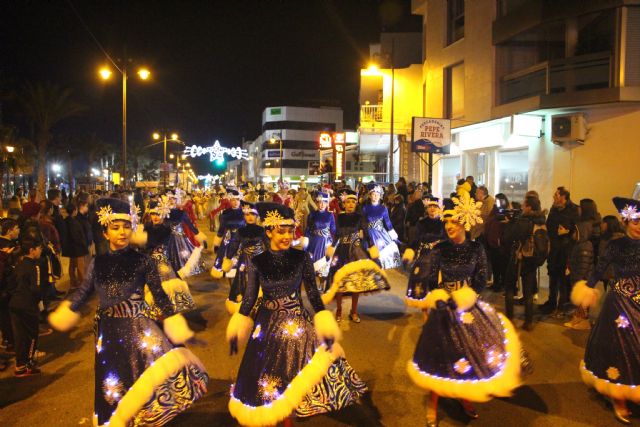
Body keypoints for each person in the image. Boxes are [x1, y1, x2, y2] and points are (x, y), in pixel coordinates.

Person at [48, 197, 208, 426]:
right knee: (114, 385)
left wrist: (174, 321)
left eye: (126, 227)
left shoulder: (143, 260)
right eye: (115, 228)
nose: (122, 233)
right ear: (105, 232)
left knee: (141, 381)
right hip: (108, 335)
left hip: (139, 330)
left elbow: (159, 294)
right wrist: (67, 311)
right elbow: (83, 292)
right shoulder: (97, 262)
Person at [226, 202, 366, 427]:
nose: (287, 236)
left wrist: (324, 323)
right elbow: (250, 299)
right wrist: (237, 330)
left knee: (295, 378)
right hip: (267, 328)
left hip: (297, 326)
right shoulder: (257, 262)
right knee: (268, 382)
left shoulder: (302, 258)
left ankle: (288, 419)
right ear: (269, 231)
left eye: (290, 231)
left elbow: (313, 294)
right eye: (281, 231)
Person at [406, 193, 521, 426]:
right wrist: (439, 297)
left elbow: (481, 278)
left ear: (464, 224)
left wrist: (468, 296)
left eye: (454, 222)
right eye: (447, 222)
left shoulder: (476, 249)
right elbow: (430, 279)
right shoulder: (440, 249)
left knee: (468, 352)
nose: (449, 226)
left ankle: (464, 396)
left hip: (468, 306)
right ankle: (433, 401)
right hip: (444, 306)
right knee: (440, 355)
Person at [570, 196, 640, 425]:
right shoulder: (616, 245)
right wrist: (586, 290)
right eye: (635, 221)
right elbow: (598, 269)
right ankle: (618, 394)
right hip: (620, 304)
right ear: (626, 222)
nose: (639, 226)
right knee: (623, 348)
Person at [324, 190, 390, 323]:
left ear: (355, 204)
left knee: (356, 282)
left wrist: (372, 248)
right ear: (344, 204)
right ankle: (339, 310)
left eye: (353, 202)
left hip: (355, 251)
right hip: (341, 251)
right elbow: (337, 234)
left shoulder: (360, 217)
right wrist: (331, 247)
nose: (350, 204)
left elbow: (366, 234)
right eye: (347, 202)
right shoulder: (340, 217)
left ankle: (353, 311)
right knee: (339, 281)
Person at [502, 195, 547, 330]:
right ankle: (528, 322)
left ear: (529, 207)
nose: (521, 206)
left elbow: (508, 238)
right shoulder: (541, 221)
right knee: (528, 292)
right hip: (532, 261)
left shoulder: (523, 221)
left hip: (518, 259)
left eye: (524, 204)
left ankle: (509, 319)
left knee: (509, 287)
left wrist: (510, 224)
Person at [220, 201, 266, 314]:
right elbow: (234, 245)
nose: (250, 217)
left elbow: (269, 246)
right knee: (244, 283)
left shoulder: (262, 230)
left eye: (252, 214)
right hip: (244, 262)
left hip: (260, 261)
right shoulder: (241, 231)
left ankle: (261, 307)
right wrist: (228, 258)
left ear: (257, 216)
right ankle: (244, 307)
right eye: (247, 214)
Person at [542, 186, 580, 315]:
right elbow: (549, 225)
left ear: (563, 198)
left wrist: (567, 232)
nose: (554, 197)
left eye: (556, 195)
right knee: (552, 277)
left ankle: (562, 305)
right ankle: (551, 302)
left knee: (563, 280)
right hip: (554, 249)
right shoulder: (554, 208)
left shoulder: (574, 210)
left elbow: (578, 231)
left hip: (566, 250)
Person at [8, 238, 43, 377]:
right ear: (32, 250)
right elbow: (36, 288)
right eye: (38, 248)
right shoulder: (35, 266)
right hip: (27, 305)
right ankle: (28, 364)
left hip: (14, 304)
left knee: (19, 335)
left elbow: (11, 284)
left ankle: (19, 364)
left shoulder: (19, 264)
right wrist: (39, 302)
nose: (40, 251)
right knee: (32, 335)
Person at [403, 196, 445, 309]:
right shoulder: (421, 223)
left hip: (439, 255)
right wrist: (409, 252)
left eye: (435, 206)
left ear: (439, 208)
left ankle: (438, 307)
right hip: (424, 255)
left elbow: (447, 239)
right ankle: (425, 308)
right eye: (430, 206)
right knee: (421, 280)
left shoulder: (444, 223)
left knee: (438, 283)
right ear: (427, 208)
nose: (432, 209)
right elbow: (415, 240)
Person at [362, 183, 401, 269]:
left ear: (380, 196)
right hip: (369, 234)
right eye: (373, 194)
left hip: (381, 234)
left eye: (377, 195)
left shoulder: (383, 208)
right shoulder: (365, 208)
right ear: (370, 195)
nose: (375, 196)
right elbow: (363, 222)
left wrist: (393, 235)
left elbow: (388, 223)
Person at [302, 191, 336, 279]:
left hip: (326, 242)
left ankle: (323, 281)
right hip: (315, 242)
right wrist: (305, 243)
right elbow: (308, 229)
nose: (321, 205)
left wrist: (339, 235)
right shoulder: (311, 215)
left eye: (323, 203)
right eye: (319, 202)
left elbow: (333, 229)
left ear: (326, 203)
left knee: (325, 264)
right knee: (314, 263)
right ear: (316, 203)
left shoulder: (330, 215)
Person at [212, 189, 245, 276]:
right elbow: (221, 228)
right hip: (228, 238)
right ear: (230, 201)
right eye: (233, 200)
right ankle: (224, 270)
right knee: (225, 253)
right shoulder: (226, 213)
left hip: (241, 238)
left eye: (237, 200)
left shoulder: (244, 212)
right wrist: (217, 242)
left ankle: (237, 270)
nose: (235, 202)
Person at [0, 219, 20, 356]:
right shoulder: (7, 248)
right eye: (16, 228)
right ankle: (11, 342)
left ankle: (9, 340)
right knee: (7, 316)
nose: (18, 230)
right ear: (9, 231)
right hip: (6, 289)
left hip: (6, 288)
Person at [62, 202, 89, 290]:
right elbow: (76, 236)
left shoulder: (66, 221)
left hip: (71, 248)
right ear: (74, 211)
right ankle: (82, 284)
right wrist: (83, 244)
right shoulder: (73, 222)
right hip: (77, 248)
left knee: (72, 265)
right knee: (80, 267)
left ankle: (73, 282)